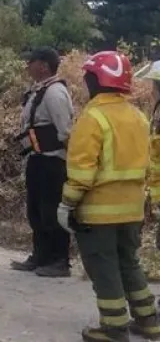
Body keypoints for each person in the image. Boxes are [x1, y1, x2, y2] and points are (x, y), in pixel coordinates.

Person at [58, 51, 160, 342]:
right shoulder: (138, 116)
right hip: (132, 210)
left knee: (103, 268)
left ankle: (114, 328)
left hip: (99, 211)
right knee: (129, 263)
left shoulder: (93, 117)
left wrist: (67, 203)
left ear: (95, 80)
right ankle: (148, 321)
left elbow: (82, 169)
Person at [10, 47, 74, 277]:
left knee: (51, 212)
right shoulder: (39, 91)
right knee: (36, 211)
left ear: (44, 65)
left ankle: (59, 260)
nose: (27, 65)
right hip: (36, 159)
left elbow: (66, 131)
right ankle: (40, 256)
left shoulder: (55, 93)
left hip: (52, 162)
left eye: (31, 61)